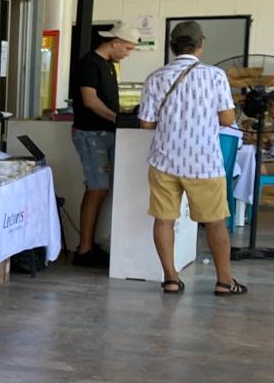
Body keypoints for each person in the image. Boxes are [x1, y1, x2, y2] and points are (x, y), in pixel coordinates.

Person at [138, 21, 246, 296]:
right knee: (215, 221)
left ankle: (171, 279)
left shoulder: (155, 77)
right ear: (200, 44)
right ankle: (224, 281)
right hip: (204, 162)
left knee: (164, 220)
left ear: (172, 47)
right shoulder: (215, 75)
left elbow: (147, 124)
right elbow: (227, 118)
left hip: (165, 160)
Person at [69, 22, 138, 267]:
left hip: (105, 132)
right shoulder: (89, 63)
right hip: (91, 134)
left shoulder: (109, 65)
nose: (128, 54)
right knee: (96, 188)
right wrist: (117, 118)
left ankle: (90, 245)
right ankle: (84, 250)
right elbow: (90, 100)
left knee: (102, 188)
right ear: (115, 42)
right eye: (127, 48)